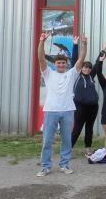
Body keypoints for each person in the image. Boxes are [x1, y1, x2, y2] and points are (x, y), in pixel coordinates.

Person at [36, 32, 87, 177]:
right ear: (55, 64)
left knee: (66, 140)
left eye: (63, 63)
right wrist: (41, 41)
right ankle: (45, 166)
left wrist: (84, 44)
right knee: (47, 140)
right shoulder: (48, 73)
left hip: (68, 111)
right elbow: (40, 59)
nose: (61, 64)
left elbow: (81, 59)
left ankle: (64, 165)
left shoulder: (71, 73)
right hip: (51, 111)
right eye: (58, 62)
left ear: (66, 64)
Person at [70, 41, 104, 157]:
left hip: (93, 106)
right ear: (81, 67)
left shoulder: (91, 76)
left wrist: (102, 51)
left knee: (89, 128)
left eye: (89, 68)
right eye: (85, 67)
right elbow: (75, 60)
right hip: (80, 106)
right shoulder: (76, 75)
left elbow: (96, 63)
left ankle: (88, 149)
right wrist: (75, 45)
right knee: (77, 129)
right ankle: (68, 149)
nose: (87, 69)